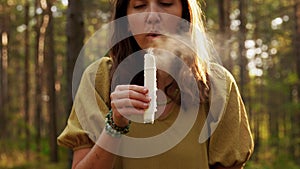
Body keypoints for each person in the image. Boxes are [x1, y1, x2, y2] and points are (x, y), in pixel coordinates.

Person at [57, 0, 254, 169]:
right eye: (140, 5)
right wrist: (115, 126)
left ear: (184, 17)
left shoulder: (217, 85)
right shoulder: (99, 79)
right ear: (125, 21)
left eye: (166, 3)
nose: (152, 16)